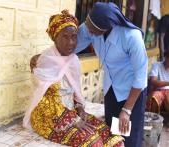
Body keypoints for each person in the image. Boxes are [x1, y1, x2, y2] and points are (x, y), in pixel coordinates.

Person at [30, 2, 148, 147]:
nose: (86, 31)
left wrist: (127, 110)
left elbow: (140, 77)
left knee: (128, 133)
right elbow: (67, 47)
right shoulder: (90, 27)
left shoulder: (131, 37)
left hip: (132, 91)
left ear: (105, 28)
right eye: (87, 24)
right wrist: (44, 58)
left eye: (92, 30)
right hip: (111, 87)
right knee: (114, 130)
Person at [147, 27, 169, 114]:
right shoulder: (157, 65)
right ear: (166, 58)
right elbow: (153, 82)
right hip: (159, 91)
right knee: (155, 97)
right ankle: (153, 119)